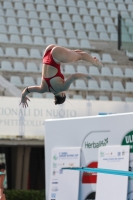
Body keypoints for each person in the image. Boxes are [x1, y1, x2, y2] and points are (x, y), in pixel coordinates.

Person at [20, 44, 103, 107]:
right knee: (76, 53)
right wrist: (23, 97)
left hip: (55, 56)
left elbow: (74, 76)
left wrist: (87, 76)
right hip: (47, 53)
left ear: (63, 94)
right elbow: (27, 90)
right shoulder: (43, 89)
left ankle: (96, 63)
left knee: (80, 56)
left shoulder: (62, 88)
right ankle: (93, 60)